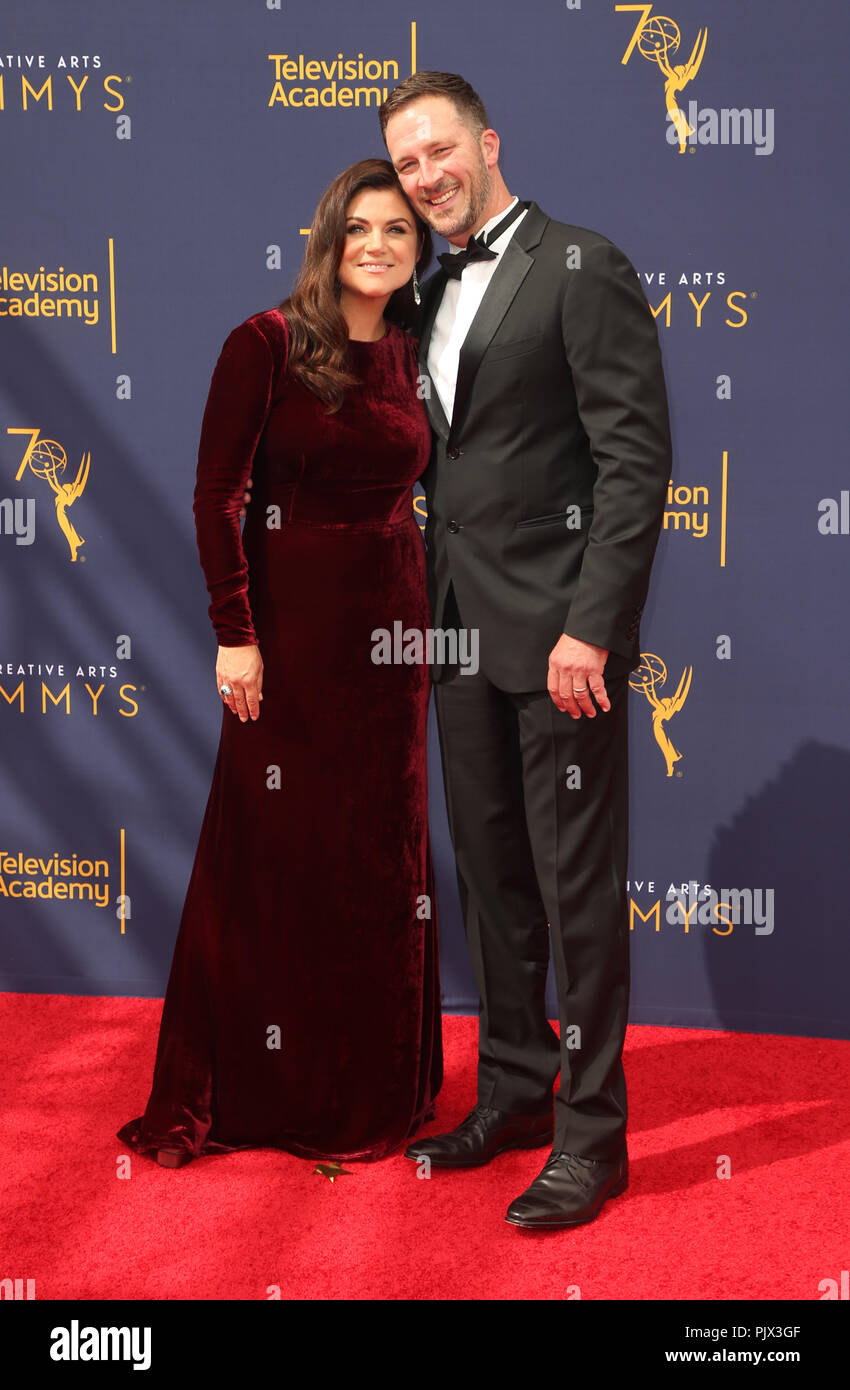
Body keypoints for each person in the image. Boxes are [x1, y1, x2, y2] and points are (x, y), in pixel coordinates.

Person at [379, 73, 673, 1228]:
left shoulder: (579, 267)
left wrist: (592, 627)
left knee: (574, 891)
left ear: (487, 142)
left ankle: (594, 1134)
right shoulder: (423, 292)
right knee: (494, 881)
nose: (426, 175)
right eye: (406, 164)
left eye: (439, 150)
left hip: (560, 642)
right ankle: (515, 1089)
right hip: (457, 636)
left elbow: (633, 464)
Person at [117, 159, 442, 1167]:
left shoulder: (413, 348)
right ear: (329, 241)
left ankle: (367, 1090)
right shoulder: (265, 342)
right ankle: (261, 1088)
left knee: (374, 857)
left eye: (398, 230)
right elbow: (219, 494)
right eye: (360, 229)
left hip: (391, 634)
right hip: (287, 638)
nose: (379, 246)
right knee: (275, 852)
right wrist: (235, 632)